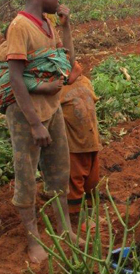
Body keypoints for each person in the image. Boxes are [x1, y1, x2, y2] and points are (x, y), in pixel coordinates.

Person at [0, 0, 76, 263]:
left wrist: (66, 27)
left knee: (59, 170)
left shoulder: (49, 23)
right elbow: (15, 78)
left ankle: (64, 229)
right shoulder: (20, 27)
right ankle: (33, 239)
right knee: (26, 175)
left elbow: (67, 65)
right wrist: (35, 123)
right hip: (26, 115)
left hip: (51, 109)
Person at [58, 74, 102, 215]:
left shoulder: (84, 80)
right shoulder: (55, 87)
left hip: (91, 142)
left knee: (92, 182)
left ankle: (90, 215)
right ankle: (77, 218)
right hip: (73, 146)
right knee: (74, 183)